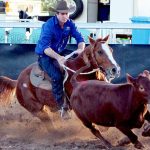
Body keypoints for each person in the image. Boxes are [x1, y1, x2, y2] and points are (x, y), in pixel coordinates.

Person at [35, 0, 85, 119]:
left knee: (76, 63)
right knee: (57, 77)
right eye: (62, 14)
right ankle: (61, 107)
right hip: (45, 56)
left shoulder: (70, 23)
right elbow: (45, 48)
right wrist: (58, 58)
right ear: (56, 14)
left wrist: (80, 49)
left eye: (66, 13)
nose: (65, 16)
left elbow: (80, 38)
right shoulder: (49, 26)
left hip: (60, 52)